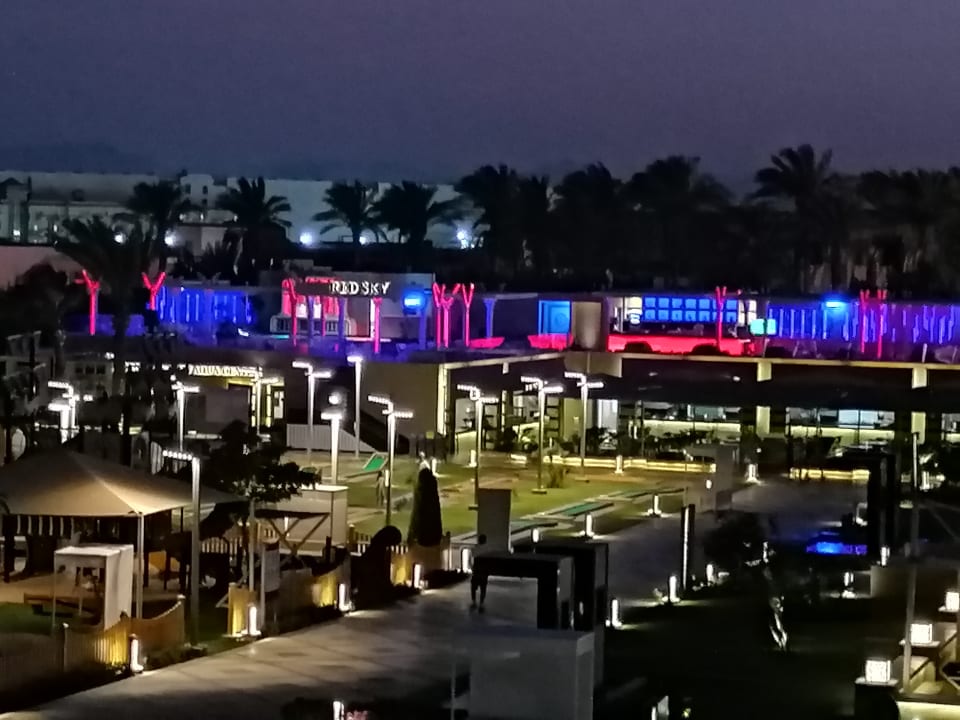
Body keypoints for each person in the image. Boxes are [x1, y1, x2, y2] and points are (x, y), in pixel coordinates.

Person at [470, 534, 489, 612]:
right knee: (483, 588)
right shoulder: (487, 550)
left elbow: (470, 560)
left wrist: (472, 568)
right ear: (485, 541)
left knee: (473, 588)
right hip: (483, 572)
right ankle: (481, 604)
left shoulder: (474, 549)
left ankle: (474, 602)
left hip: (476, 571)